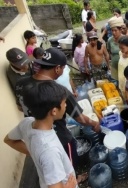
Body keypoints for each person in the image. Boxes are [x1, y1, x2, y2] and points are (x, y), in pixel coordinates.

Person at [15, 48, 100, 183]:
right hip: (60, 139)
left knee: (47, 168)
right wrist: (95, 123)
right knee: (66, 169)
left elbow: (20, 107)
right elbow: (81, 119)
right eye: (63, 68)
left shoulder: (20, 85)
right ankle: (74, 181)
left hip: (34, 135)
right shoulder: (59, 93)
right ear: (57, 69)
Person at [4, 82, 78, 188]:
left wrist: (35, 153)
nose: (66, 105)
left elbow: (9, 140)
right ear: (54, 111)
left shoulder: (26, 122)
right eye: (64, 103)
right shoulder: (49, 150)